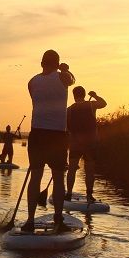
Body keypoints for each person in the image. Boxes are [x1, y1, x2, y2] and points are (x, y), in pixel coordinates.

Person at [23, 49, 75, 233]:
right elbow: (72, 80)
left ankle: (29, 221)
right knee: (59, 178)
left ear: (42, 63)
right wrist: (65, 70)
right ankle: (58, 219)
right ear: (57, 63)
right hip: (56, 135)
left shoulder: (32, 82)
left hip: (36, 134)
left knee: (35, 177)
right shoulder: (63, 77)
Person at [66, 86, 107, 202]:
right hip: (90, 144)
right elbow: (104, 103)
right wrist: (95, 96)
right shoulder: (91, 105)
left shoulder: (69, 109)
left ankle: (68, 193)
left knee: (72, 169)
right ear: (84, 95)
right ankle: (89, 195)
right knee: (89, 170)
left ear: (74, 96)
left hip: (75, 144)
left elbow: (66, 128)